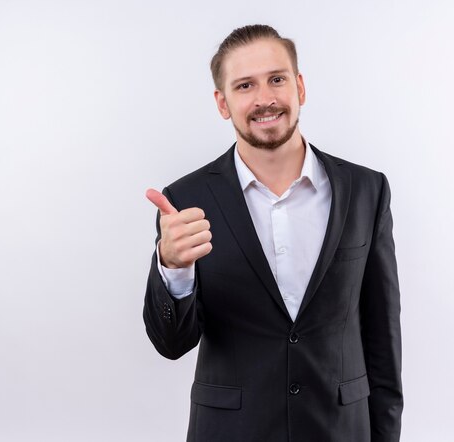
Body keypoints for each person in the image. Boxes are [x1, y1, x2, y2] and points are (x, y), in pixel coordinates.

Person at [143, 24, 403, 442]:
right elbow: (172, 343)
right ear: (222, 103)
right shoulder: (185, 202)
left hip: (340, 430)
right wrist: (172, 268)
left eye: (277, 79)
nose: (265, 99)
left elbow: (382, 334)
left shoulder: (367, 190)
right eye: (244, 85)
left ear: (299, 87)